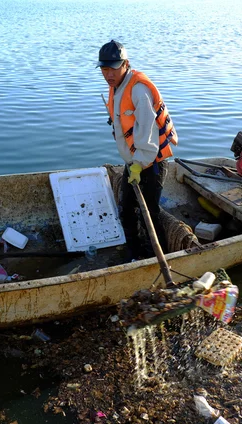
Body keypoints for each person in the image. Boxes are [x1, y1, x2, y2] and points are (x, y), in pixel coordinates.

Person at [98, 40, 178, 260]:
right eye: (104, 69)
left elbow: (149, 135)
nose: (108, 74)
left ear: (126, 64)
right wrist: (133, 165)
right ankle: (134, 254)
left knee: (149, 213)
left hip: (151, 163)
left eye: (113, 68)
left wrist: (138, 165)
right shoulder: (117, 87)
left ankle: (160, 257)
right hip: (134, 162)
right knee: (126, 210)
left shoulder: (138, 90)